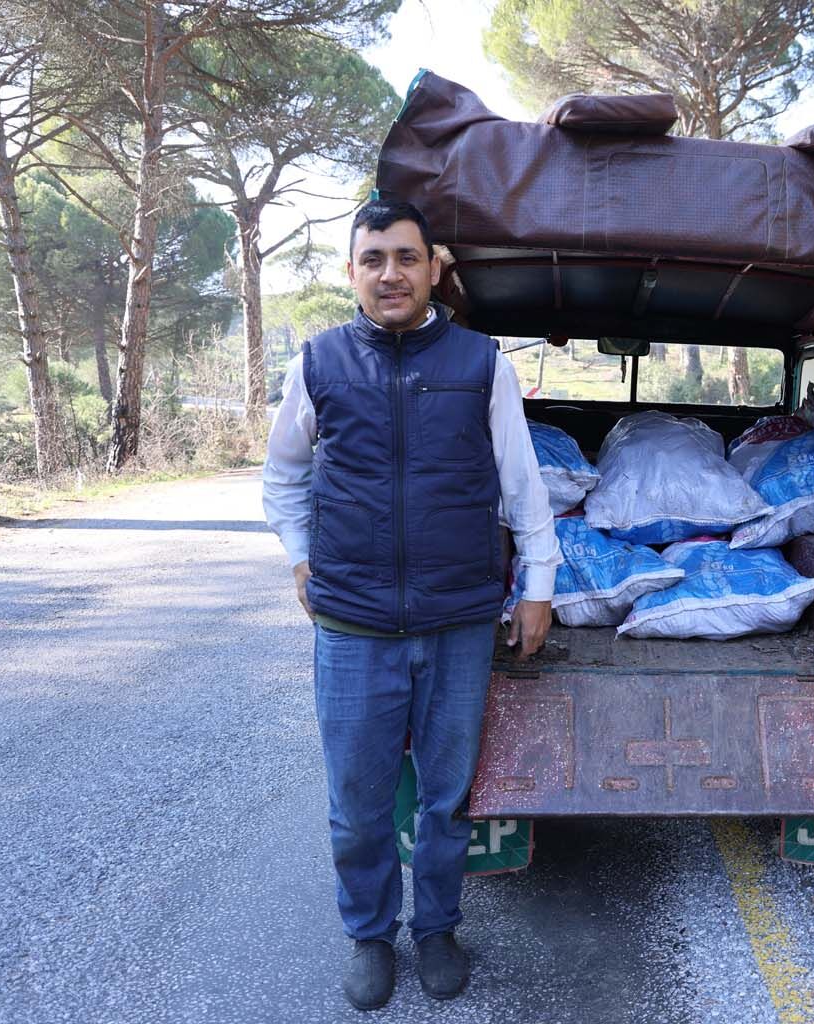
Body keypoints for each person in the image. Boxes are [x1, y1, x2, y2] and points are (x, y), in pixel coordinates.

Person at [262, 200, 561, 1010]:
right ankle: (369, 935)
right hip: (353, 625)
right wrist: (299, 555)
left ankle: (436, 929)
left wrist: (538, 586)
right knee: (357, 805)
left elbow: (520, 482)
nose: (389, 273)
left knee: (444, 796)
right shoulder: (318, 363)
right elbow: (284, 474)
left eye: (405, 257)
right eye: (373, 259)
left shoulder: (478, 363)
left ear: (435, 268)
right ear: (351, 271)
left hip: (459, 621)